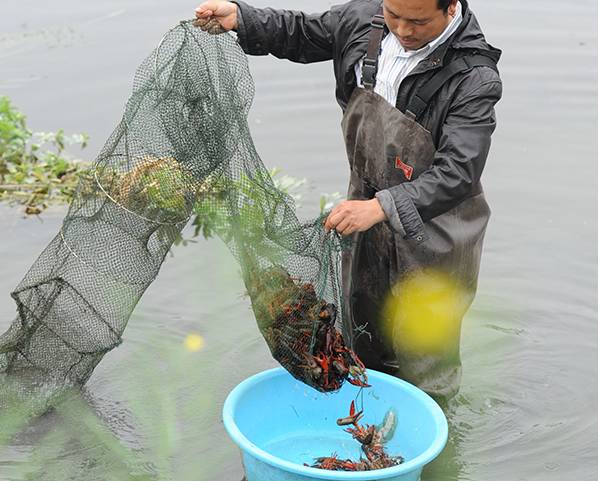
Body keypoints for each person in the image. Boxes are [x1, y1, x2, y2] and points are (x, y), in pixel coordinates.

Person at [194, 0, 502, 399]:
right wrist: (242, 18)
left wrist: (382, 207)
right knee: (363, 329)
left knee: (424, 353)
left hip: (437, 228)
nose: (404, 31)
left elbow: (458, 171)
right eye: (395, 16)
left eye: (419, 21)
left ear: (451, 8)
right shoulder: (364, 22)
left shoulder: (475, 77)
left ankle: (429, 437)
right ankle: (366, 418)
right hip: (363, 206)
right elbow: (301, 32)